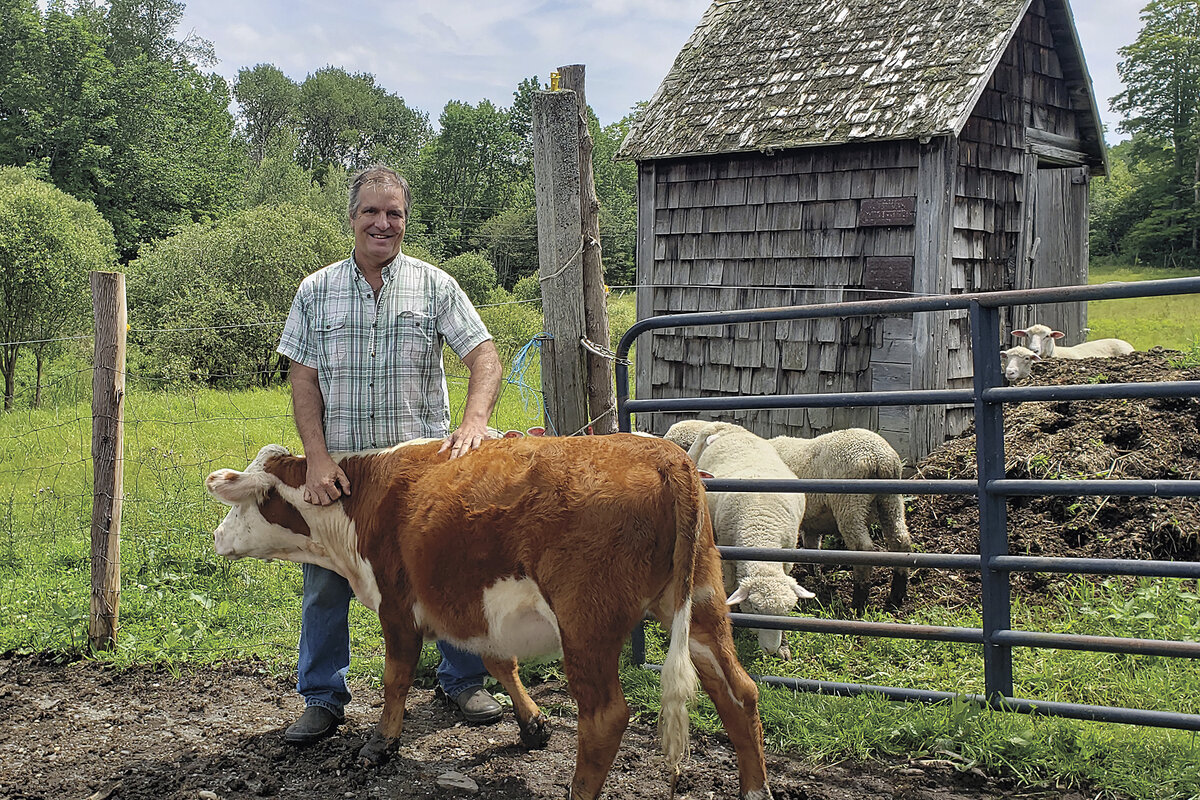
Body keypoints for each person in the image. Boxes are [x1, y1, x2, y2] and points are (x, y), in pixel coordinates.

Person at [275, 164, 505, 744]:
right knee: (327, 580)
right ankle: (322, 697)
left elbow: (484, 355)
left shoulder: (435, 286)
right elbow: (302, 378)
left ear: (405, 221)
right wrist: (317, 456)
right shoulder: (315, 290)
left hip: (419, 478)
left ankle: (462, 681)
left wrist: (475, 422)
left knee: (445, 572)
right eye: (372, 212)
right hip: (344, 472)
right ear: (351, 218)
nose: (384, 223)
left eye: (394, 213)